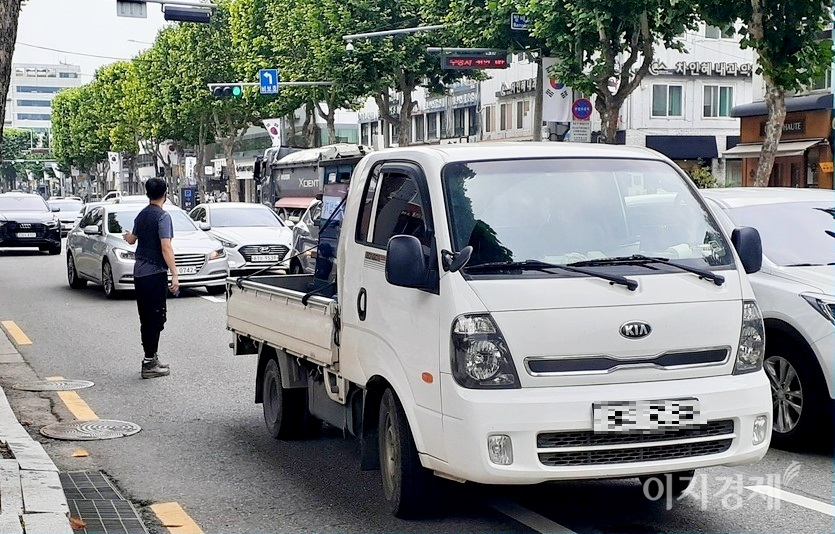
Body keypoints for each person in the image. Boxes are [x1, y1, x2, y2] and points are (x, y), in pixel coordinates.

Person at [123, 178, 178, 379]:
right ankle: (149, 363)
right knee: (156, 317)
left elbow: (132, 239)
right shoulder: (163, 217)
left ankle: (152, 357)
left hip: (140, 273)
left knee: (146, 317)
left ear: (147, 194)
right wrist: (175, 273)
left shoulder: (142, 214)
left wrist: (127, 235)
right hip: (155, 273)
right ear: (166, 195)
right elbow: (166, 247)